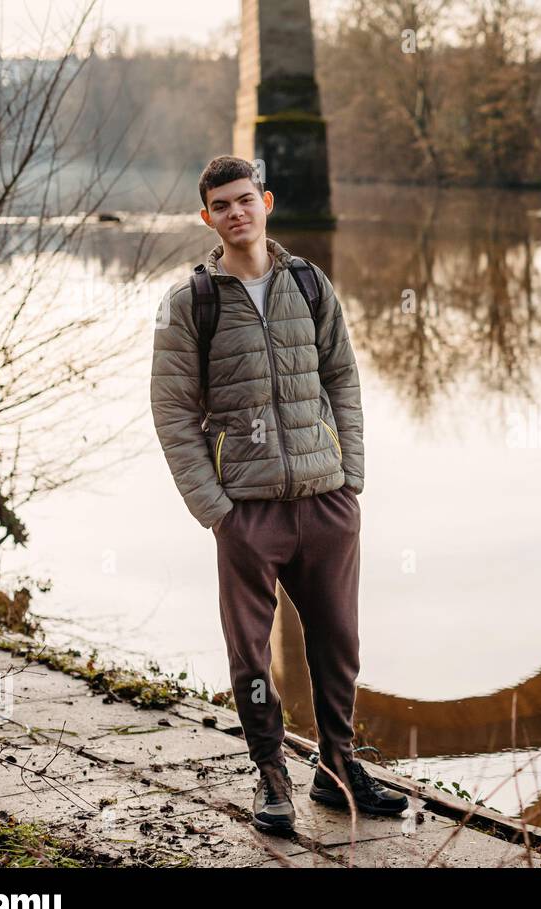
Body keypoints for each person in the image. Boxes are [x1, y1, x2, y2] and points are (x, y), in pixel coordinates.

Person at [150, 155, 407, 834]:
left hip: (325, 500)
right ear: (208, 218)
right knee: (250, 654)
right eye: (221, 206)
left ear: (265, 203)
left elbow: (343, 379)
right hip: (248, 509)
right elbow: (172, 411)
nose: (236, 213)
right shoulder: (191, 302)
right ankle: (270, 772)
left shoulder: (311, 285)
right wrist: (216, 510)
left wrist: (351, 476)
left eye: (245, 200)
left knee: (338, 641)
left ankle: (337, 766)